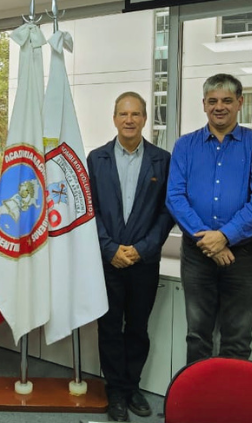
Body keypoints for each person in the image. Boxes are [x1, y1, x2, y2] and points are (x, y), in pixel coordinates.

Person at [166, 73, 252, 363]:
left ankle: (230, 407)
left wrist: (225, 236)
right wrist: (208, 240)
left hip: (242, 255)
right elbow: (174, 197)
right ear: (203, 105)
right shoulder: (185, 146)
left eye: (227, 100)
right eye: (212, 101)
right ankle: (195, 406)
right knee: (197, 335)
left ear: (240, 103)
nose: (219, 106)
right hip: (196, 254)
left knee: (237, 340)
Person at [88, 92, 173, 422]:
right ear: (114, 118)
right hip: (107, 262)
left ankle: (132, 386)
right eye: (123, 114)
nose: (129, 119)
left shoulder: (162, 160)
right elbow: (88, 211)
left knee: (138, 328)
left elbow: (167, 212)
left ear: (145, 118)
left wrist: (142, 249)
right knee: (109, 329)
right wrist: (110, 249)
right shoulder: (96, 159)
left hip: (144, 262)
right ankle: (115, 391)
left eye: (136, 114)